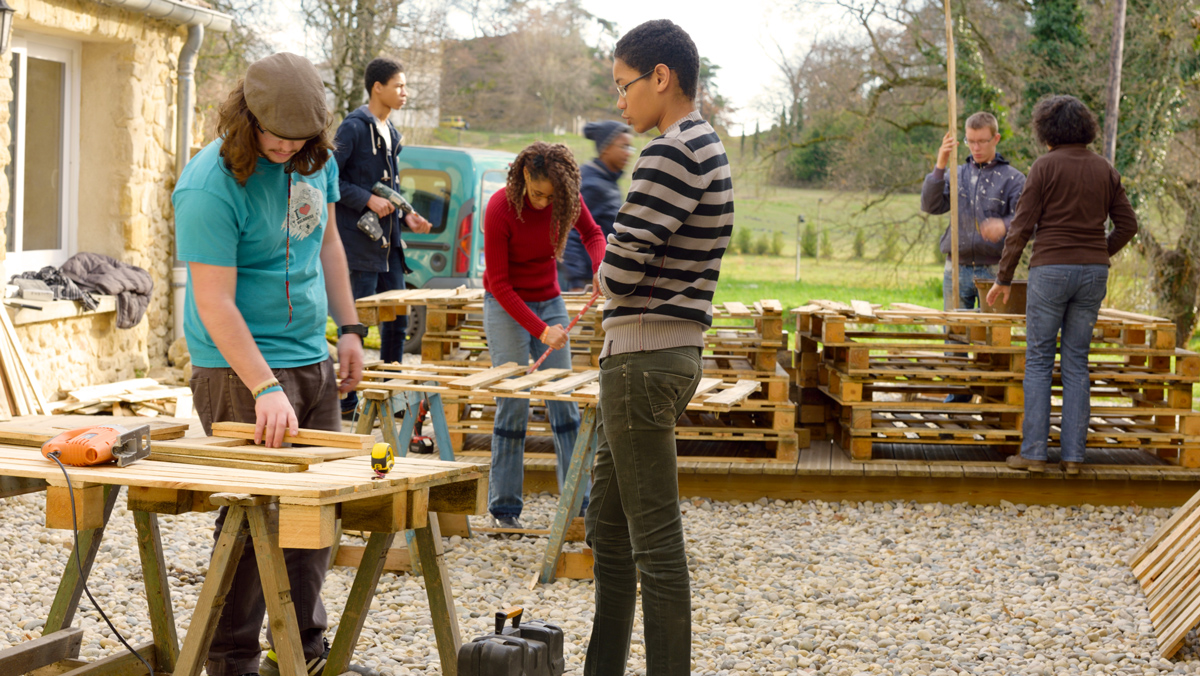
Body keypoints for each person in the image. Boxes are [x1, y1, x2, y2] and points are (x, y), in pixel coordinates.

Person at [172, 52, 367, 676]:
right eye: (273, 135)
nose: (284, 147)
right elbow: (214, 302)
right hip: (239, 371)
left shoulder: (319, 160)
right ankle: (233, 662)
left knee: (314, 518)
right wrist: (263, 386)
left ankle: (303, 655)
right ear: (244, 117)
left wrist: (352, 330)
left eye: (298, 138)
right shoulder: (209, 183)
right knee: (252, 524)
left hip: (311, 357)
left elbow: (329, 244)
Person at [586, 20, 734, 676]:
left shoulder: (672, 151)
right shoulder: (707, 145)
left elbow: (617, 273)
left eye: (624, 86)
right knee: (609, 534)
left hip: (644, 359)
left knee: (654, 547)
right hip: (657, 355)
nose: (620, 103)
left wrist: (606, 268)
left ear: (661, 78)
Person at [986, 95, 1138, 475]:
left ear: (1046, 130)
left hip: (1050, 270)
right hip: (1093, 275)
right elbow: (1128, 225)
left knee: (1038, 360)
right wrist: (1098, 251)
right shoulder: (1105, 169)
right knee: (1076, 362)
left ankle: (1034, 455)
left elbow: (1020, 227)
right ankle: (1073, 458)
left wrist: (1003, 277)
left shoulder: (1044, 166)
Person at [482, 141, 605, 529]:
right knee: (513, 401)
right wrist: (541, 331)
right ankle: (505, 509)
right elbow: (500, 285)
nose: (542, 202)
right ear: (523, 177)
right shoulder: (500, 208)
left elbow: (593, 234)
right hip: (506, 306)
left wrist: (600, 268)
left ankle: (580, 504)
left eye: (550, 197)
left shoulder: (565, 200)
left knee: (564, 402)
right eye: (537, 193)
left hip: (548, 298)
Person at [334, 57, 432, 418]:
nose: (405, 93)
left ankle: (389, 395)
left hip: (389, 247)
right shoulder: (353, 128)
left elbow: (389, 189)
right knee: (354, 321)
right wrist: (367, 199)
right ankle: (346, 401)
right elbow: (331, 179)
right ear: (378, 87)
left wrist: (407, 214)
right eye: (399, 86)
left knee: (397, 319)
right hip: (358, 245)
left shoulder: (391, 134)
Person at [921, 112, 1026, 402]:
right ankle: (957, 399)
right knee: (954, 336)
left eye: (982, 141)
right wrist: (941, 163)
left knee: (992, 338)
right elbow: (930, 205)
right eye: (970, 141)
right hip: (955, 268)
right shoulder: (957, 174)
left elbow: (1028, 220)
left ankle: (993, 400)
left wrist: (1004, 225)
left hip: (994, 272)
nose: (976, 147)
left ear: (996, 139)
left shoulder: (1014, 179)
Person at [559, 120, 633, 291]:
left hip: (594, 277)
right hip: (582, 280)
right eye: (624, 146)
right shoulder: (592, 183)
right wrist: (576, 283)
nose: (628, 153)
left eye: (630, 148)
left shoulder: (608, 180)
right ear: (606, 147)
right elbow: (570, 234)